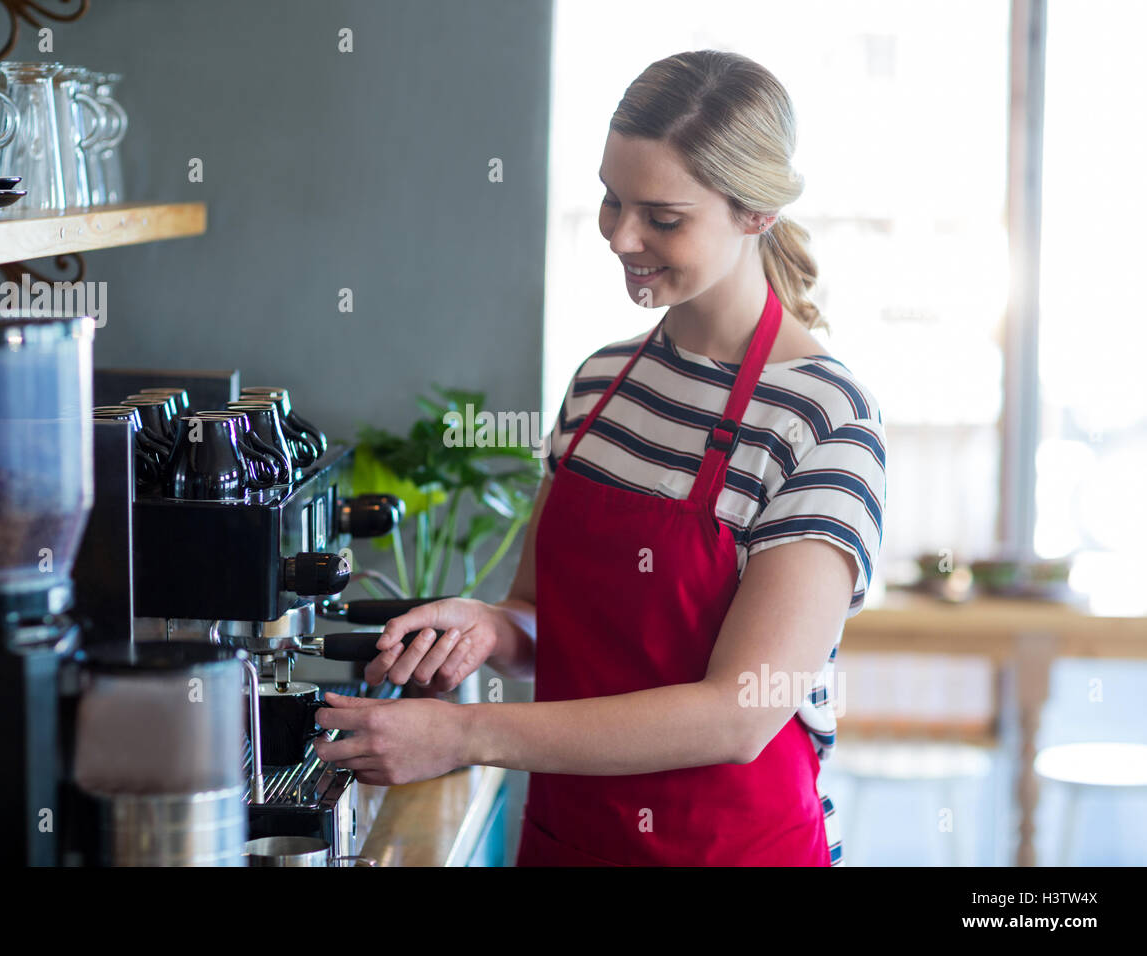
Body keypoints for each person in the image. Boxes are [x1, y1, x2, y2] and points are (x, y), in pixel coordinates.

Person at [315, 49, 887, 866]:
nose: (622, 235)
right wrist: (486, 628)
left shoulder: (823, 419)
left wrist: (468, 734)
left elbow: (741, 712)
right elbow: (539, 612)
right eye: (611, 199)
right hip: (571, 838)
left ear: (755, 213)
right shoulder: (602, 382)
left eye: (662, 216)